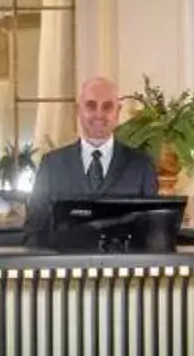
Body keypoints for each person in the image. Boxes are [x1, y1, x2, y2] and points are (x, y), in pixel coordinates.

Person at [22, 74, 158, 243]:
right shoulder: (52, 165)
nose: (99, 114)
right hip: (67, 268)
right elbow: (34, 232)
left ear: (118, 112)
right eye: (91, 106)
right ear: (78, 110)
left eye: (107, 106)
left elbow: (153, 236)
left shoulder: (142, 166)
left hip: (122, 269)